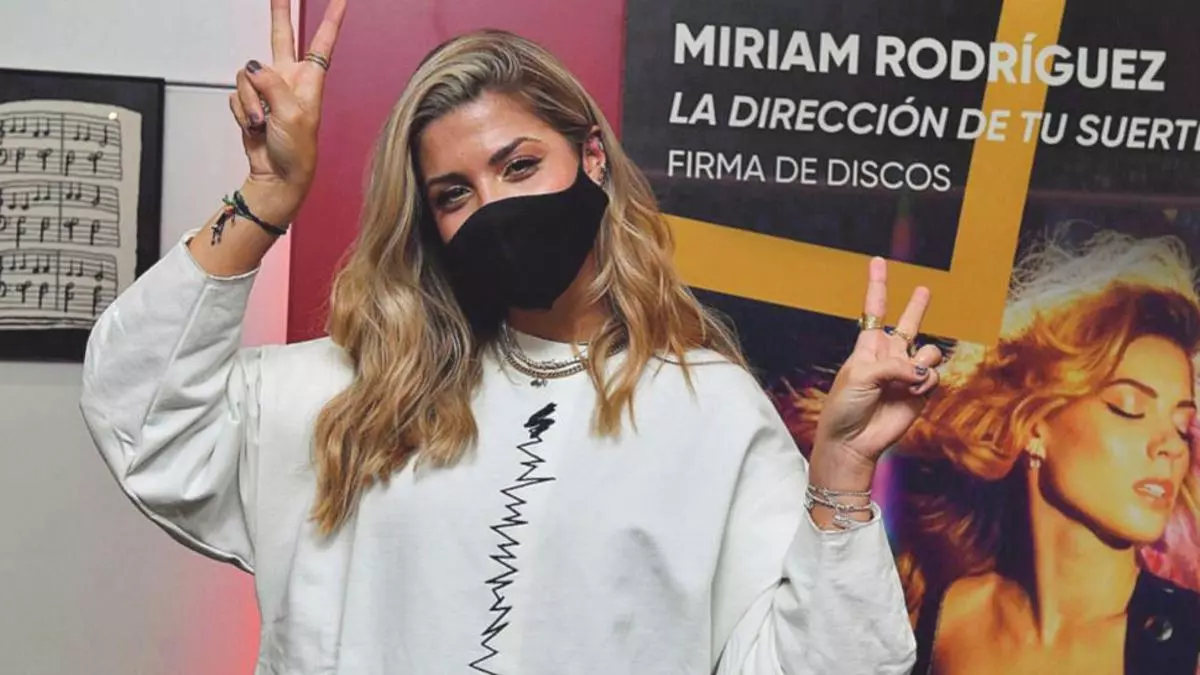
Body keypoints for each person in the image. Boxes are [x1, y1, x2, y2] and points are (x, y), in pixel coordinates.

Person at [78, 1, 943, 672]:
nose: (493, 206)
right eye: (454, 193)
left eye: (519, 165)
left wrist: (841, 474)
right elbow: (139, 411)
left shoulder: (708, 409)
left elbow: (818, 662)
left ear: (591, 158)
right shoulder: (355, 391)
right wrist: (265, 200)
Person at [881, 229, 1200, 674]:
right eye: (1129, 408)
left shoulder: (1188, 649)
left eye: (1183, 427)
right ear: (1034, 425)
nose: (1169, 447)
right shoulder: (936, 618)